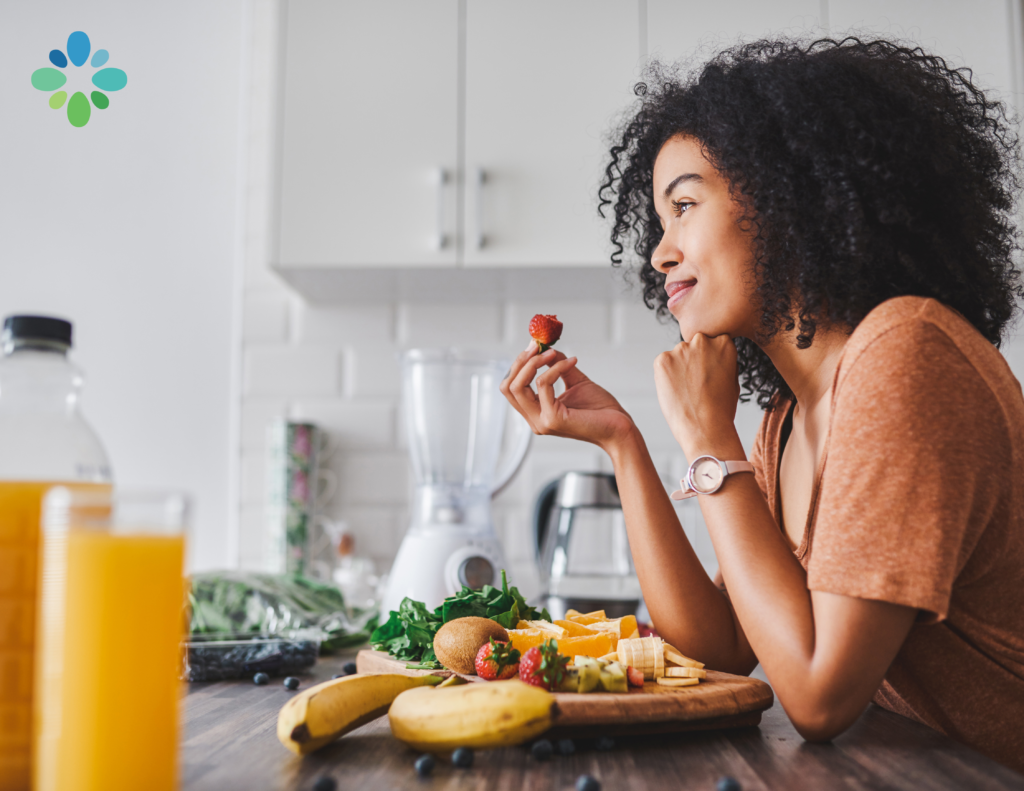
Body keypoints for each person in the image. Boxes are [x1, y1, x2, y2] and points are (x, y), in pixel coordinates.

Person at [501, 37, 1024, 771]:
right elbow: (720, 644)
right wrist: (623, 442)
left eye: (684, 205)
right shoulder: (788, 417)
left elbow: (817, 696)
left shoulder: (907, 355)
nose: (659, 251)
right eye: (657, 219)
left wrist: (710, 437)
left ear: (790, 198)